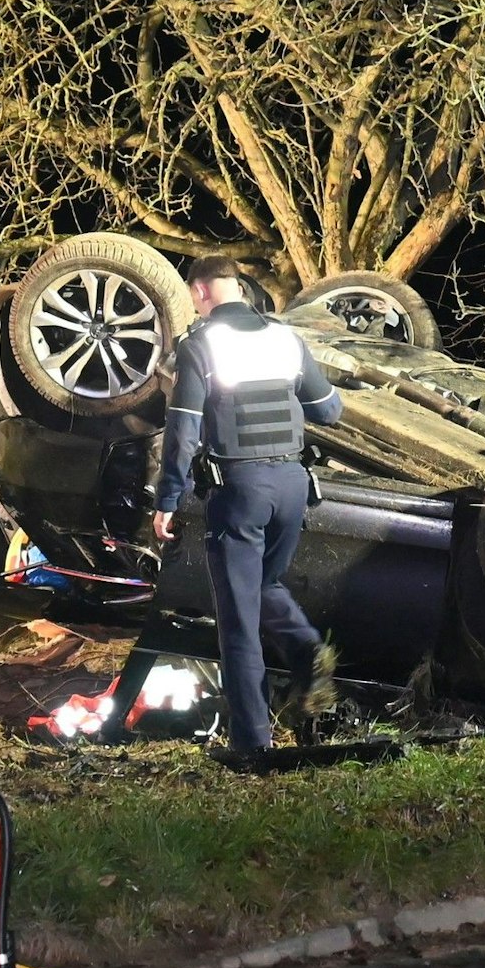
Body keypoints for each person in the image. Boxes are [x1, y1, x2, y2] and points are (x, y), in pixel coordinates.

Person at [151, 256, 345, 762]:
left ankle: (252, 744)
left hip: (240, 490)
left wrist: (168, 498)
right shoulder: (285, 339)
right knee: (262, 586)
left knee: (238, 622)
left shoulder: (201, 346)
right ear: (237, 288)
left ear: (199, 293)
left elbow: (184, 431)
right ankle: (305, 648)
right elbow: (328, 410)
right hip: (293, 486)